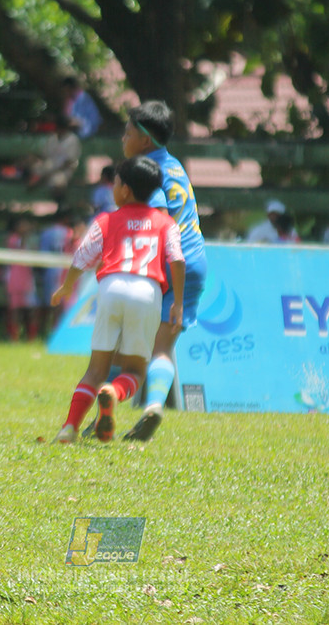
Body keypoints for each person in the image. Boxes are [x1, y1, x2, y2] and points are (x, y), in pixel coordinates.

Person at [51, 156, 185, 444]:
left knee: (96, 368)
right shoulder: (165, 222)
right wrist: (179, 302)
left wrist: (67, 287)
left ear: (124, 190)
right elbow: (177, 259)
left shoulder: (106, 219)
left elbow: (82, 257)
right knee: (135, 369)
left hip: (110, 287)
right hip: (147, 290)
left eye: (115, 182)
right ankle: (113, 393)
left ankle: (69, 428)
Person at [117, 100, 207, 441]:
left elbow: (155, 220)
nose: (122, 139)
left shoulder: (145, 172)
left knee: (125, 343)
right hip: (194, 261)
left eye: (126, 133)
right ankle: (153, 405)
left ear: (144, 140)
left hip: (162, 260)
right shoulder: (175, 165)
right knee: (164, 347)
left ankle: (105, 408)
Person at [19, 114, 81, 203]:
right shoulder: (52, 138)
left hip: (64, 171)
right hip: (48, 166)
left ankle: (61, 208)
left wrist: (44, 177)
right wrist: (31, 158)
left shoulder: (72, 140)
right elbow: (44, 155)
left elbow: (68, 163)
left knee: (58, 184)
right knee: (30, 169)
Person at [36, 209, 76, 336]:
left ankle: (48, 330)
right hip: (64, 269)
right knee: (64, 302)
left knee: (51, 303)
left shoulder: (46, 232)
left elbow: (42, 252)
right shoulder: (69, 233)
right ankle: (61, 331)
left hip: (50, 269)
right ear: (65, 219)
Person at [4, 216, 37, 341]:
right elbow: (19, 245)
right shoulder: (13, 239)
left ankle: (31, 337)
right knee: (15, 309)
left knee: (31, 308)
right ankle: (14, 337)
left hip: (27, 277)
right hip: (15, 277)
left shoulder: (29, 241)